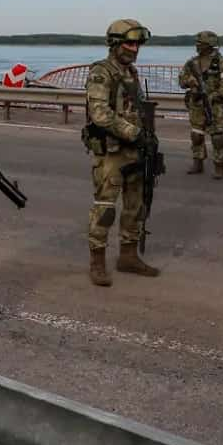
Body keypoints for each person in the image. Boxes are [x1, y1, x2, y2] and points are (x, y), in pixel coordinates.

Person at [81, 19, 161, 286]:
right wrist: (134, 133)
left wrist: (147, 137)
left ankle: (128, 256)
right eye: (129, 42)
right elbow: (100, 113)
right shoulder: (101, 72)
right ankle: (97, 263)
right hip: (112, 152)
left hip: (135, 152)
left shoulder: (131, 73)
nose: (134, 48)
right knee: (105, 209)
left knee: (135, 207)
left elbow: (134, 109)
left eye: (137, 43)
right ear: (115, 43)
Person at [178, 31, 223, 180]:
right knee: (196, 135)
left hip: (214, 105)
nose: (197, 46)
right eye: (197, 43)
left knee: (217, 136)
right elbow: (181, 80)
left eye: (200, 43)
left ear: (209, 45)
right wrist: (189, 80)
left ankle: (219, 165)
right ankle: (198, 162)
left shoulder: (222, 63)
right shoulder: (192, 63)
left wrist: (214, 96)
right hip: (196, 104)